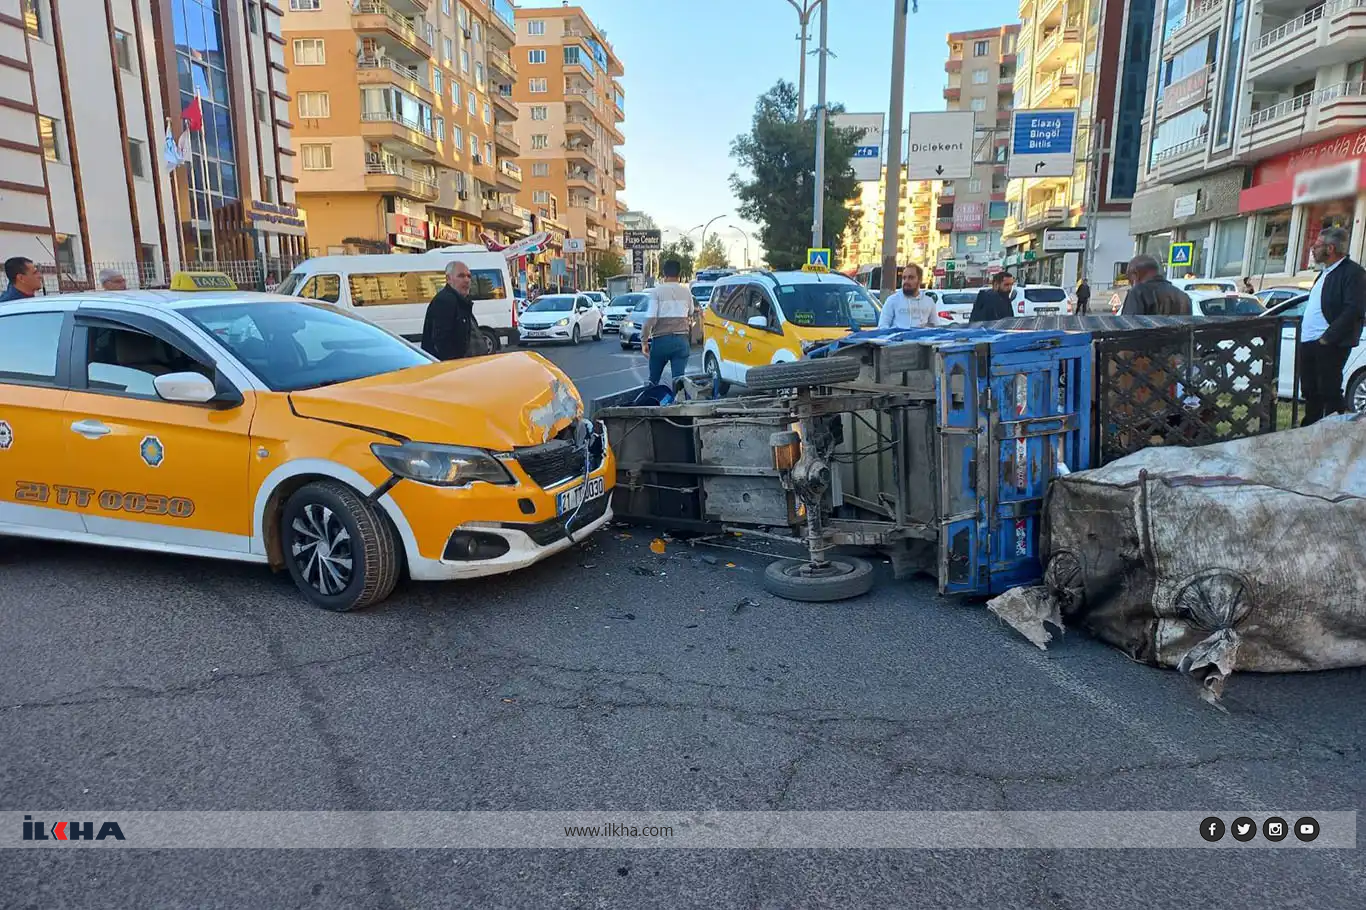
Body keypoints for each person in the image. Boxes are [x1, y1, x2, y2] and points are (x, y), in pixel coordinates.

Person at [1299, 226, 1366, 425]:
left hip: (1329, 342)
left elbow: (1353, 309)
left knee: (1328, 389)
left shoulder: (1353, 273)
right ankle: (1310, 429)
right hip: (1309, 342)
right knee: (1310, 390)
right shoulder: (1325, 272)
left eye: (1317, 245)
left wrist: (1327, 338)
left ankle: (1335, 431)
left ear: (1330, 248)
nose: (1313, 248)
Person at [641, 257, 693, 388]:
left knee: (653, 380)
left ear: (664, 274)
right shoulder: (686, 292)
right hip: (681, 340)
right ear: (679, 274)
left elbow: (650, 319)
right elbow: (691, 312)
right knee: (679, 381)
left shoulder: (656, 292)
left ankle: (650, 404)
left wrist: (644, 341)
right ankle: (678, 404)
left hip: (661, 341)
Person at [422, 259, 479, 360]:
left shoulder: (461, 301)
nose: (466, 280)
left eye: (469, 276)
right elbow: (441, 342)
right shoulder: (445, 301)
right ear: (448, 278)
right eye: (461, 276)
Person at [1119, 255, 1192, 316]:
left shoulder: (1138, 293)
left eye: (1129, 278)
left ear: (1135, 275)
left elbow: (1128, 327)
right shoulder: (1183, 296)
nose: (1130, 283)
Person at [876, 263, 935, 329]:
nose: (906, 281)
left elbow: (935, 327)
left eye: (911, 277)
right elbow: (882, 326)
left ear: (920, 280)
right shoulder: (892, 300)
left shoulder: (929, 302)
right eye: (904, 278)